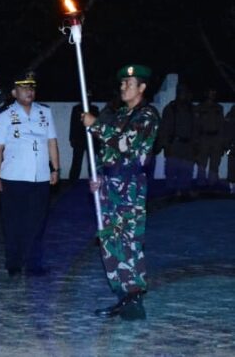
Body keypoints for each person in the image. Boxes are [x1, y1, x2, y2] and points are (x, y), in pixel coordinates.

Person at [82, 64, 160, 321]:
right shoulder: (118, 115)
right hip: (110, 189)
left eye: (129, 84)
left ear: (142, 87)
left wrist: (96, 125)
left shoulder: (147, 115)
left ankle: (134, 297)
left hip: (130, 190)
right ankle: (122, 296)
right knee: (109, 241)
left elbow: (126, 143)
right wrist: (101, 180)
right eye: (122, 84)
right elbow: (109, 155)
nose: (123, 87)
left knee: (129, 243)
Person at [0, 71, 60, 277]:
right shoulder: (4, 115)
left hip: (40, 177)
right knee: (13, 222)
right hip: (13, 176)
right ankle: (13, 262)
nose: (29, 91)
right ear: (14, 92)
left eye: (32, 87)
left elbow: (52, 142)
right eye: (23, 88)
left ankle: (34, 264)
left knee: (37, 223)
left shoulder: (44, 112)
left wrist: (55, 168)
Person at [157, 84, 196, 197]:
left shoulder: (191, 108)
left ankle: (185, 189)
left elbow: (195, 127)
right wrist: (166, 145)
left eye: (185, 92)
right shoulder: (170, 108)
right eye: (182, 92)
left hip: (188, 144)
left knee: (187, 168)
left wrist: (195, 144)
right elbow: (164, 128)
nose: (184, 95)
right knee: (172, 168)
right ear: (178, 94)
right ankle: (171, 191)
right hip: (174, 143)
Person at [193, 88, 225, 187]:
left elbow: (221, 125)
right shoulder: (199, 107)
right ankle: (200, 182)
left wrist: (222, 142)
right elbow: (195, 126)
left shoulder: (219, 108)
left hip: (216, 138)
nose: (213, 94)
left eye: (214, 92)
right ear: (206, 93)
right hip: (204, 138)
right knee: (202, 162)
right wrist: (196, 141)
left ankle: (213, 182)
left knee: (215, 162)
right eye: (211, 92)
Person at [68, 96, 100, 180]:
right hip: (79, 140)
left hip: (92, 140)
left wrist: (98, 141)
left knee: (92, 163)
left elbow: (98, 125)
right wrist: (72, 138)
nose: (88, 99)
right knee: (76, 163)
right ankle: (72, 182)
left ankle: (93, 181)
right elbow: (73, 124)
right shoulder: (76, 109)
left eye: (89, 97)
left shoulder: (94, 109)